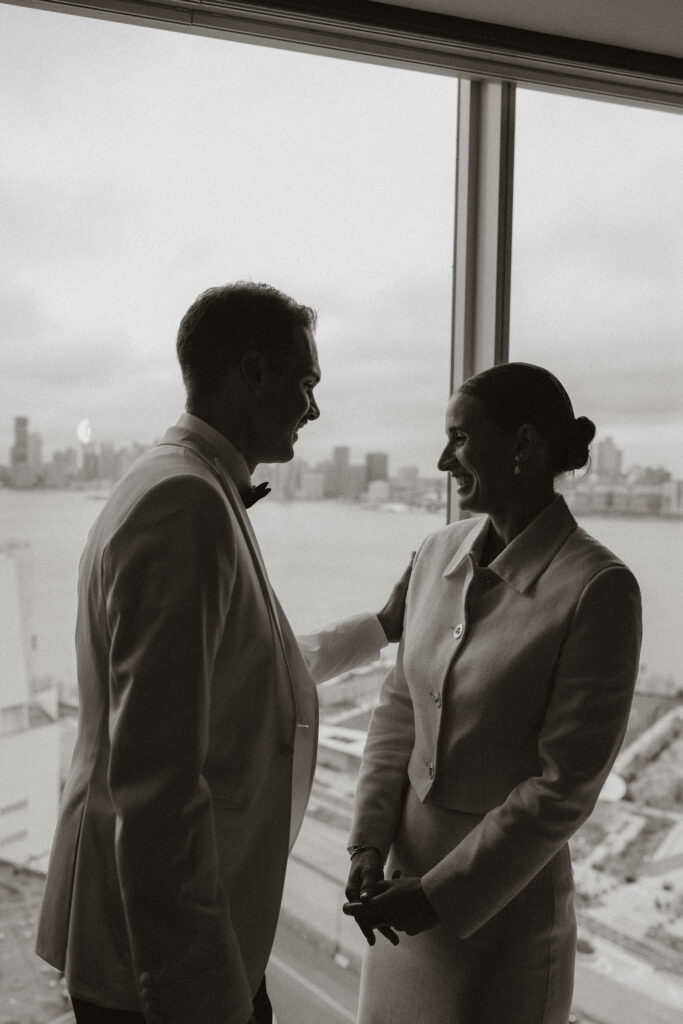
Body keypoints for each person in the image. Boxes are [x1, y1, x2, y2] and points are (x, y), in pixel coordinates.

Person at [35, 282, 412, 1024]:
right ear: (254, 371)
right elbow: (157, 788)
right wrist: (203, 1001)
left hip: (170, 943)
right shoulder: (186, 503)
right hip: (166, 969)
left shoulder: (179, 481)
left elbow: (234, 676)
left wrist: (380, 625)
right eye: (306, 382)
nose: (312, 408)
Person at [345, 362, 642, 1024]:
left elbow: (562, 787)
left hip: (499, 921)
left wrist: (439, 895)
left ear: (524, 446)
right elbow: (398, 707)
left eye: (458, 437)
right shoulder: (434, 551)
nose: (443, 459)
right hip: (395, 898)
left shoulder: (598, 590)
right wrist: (366, 844)